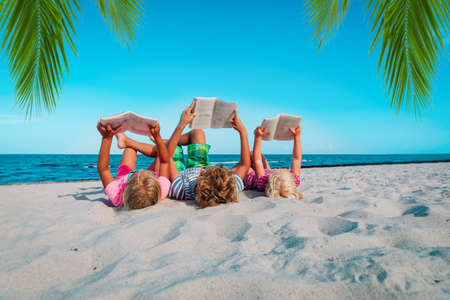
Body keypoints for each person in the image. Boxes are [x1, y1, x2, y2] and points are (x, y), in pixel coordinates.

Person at [167, 102, 251, 208]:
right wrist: (242, 132)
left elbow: (167, 157)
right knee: (198, 132)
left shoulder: (181, 190)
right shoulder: (230, 189)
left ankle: (158, 143)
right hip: (197, 167)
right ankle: (164, 142)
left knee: (172, 148)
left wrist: (181, 124)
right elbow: (245, 165)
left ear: (202, 175)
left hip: (180, 173)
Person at [96, 121, 171, 209]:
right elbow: (165, 162)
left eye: (135, 173)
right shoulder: (160, 192)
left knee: (130, 149)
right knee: (162, 154)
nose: (141, 170)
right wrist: (157, 137)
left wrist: (106, 139)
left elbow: (103, 169)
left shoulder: (117, 197)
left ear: (125, 189)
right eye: (151, 174)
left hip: (124, 175)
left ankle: (125, 140)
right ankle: (125, 140)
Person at [245, 125, 303, 200]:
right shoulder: (295, 180)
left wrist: (258, 137)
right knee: (259, 156)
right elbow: (296, 159)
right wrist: (297, 137)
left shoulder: (262, 181)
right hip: (267, 171)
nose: (279, 169)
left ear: (270, 179)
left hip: (252, 177)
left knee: (247, 165)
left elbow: (257, 160)